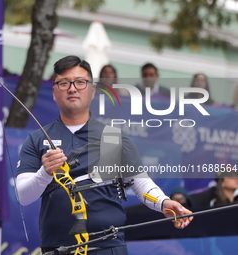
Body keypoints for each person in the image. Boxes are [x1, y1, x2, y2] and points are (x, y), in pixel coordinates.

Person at [16, 55, 192, 254]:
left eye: (80, 82)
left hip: (108, 246)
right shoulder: (37, 138)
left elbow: (140, 182)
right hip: (57, 248)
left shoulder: (112, 137)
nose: (72, 88)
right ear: (54, 92)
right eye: (64, 83)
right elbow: (23, 196)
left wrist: (164, 202)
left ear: (92, 91)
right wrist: (44, 173)